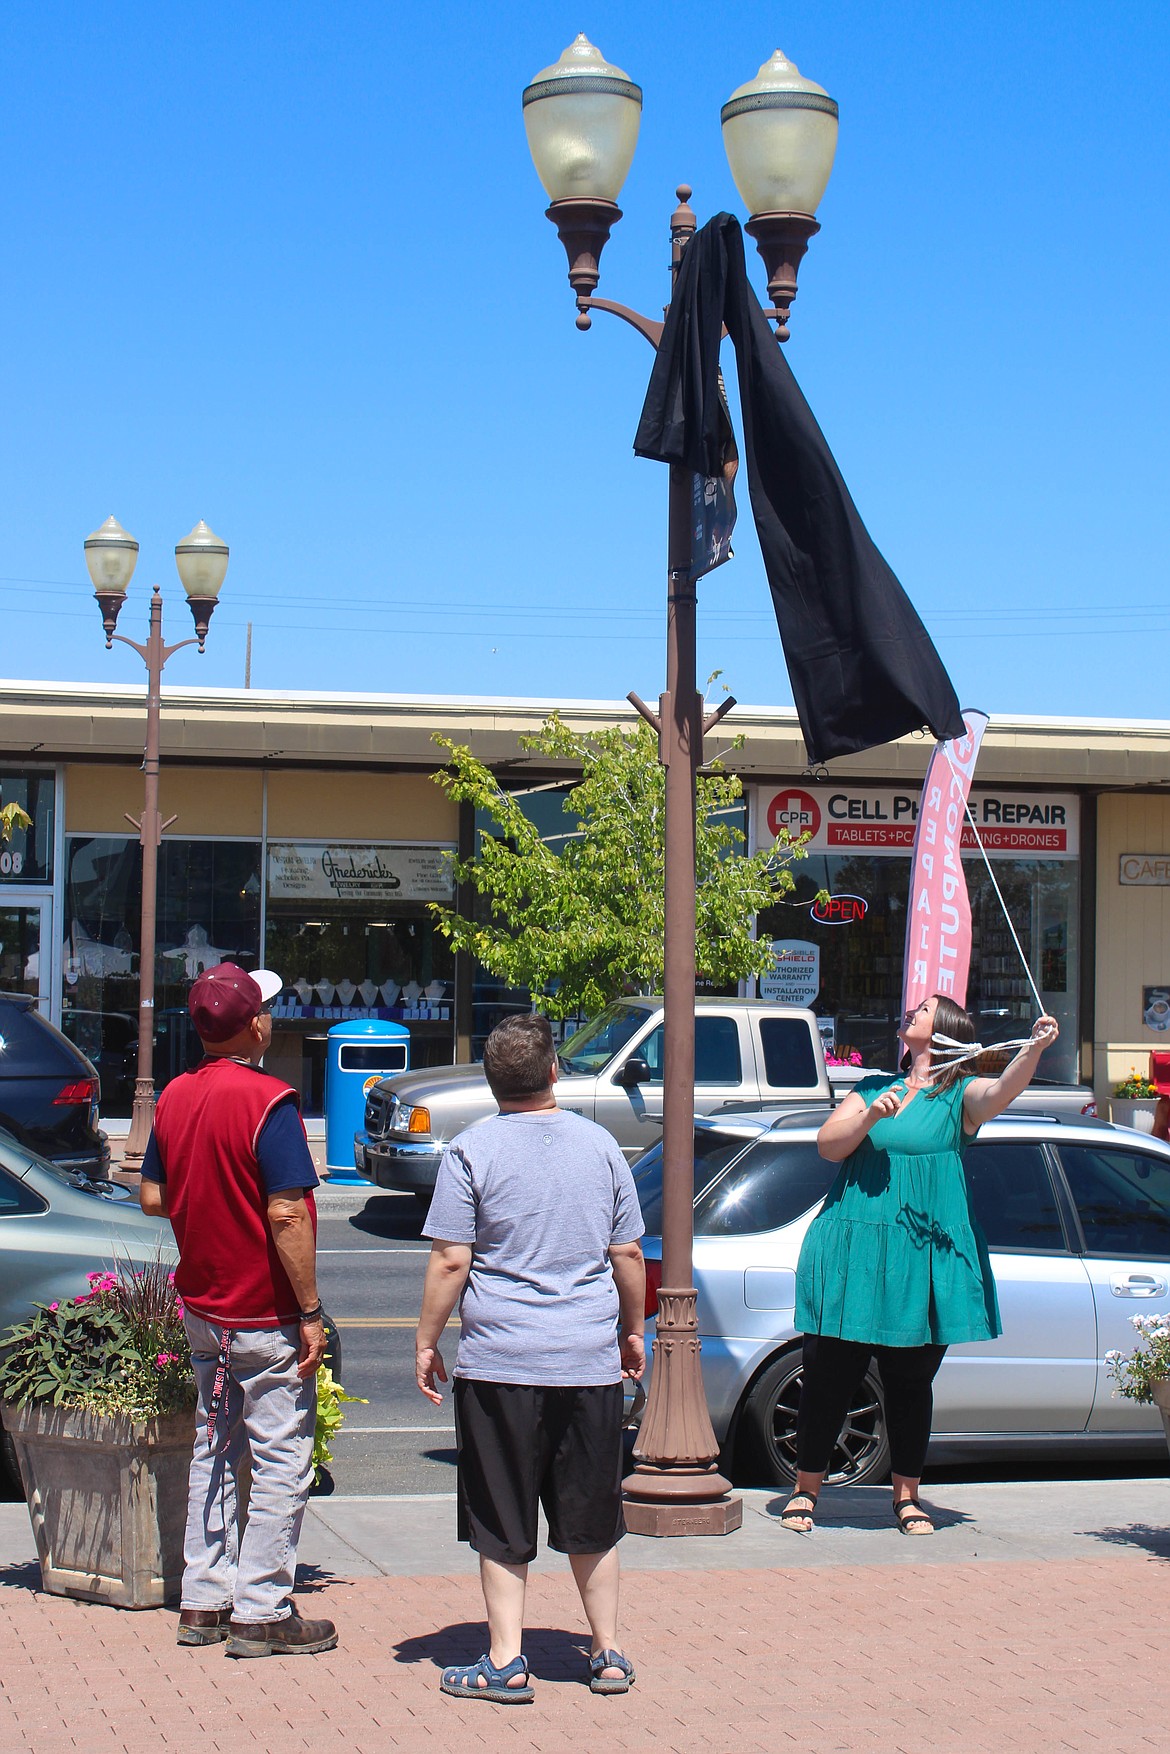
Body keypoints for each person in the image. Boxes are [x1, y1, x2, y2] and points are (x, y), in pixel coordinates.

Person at [415, 1012, 646, 1705]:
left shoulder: (470, 1151)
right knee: (591, 1511)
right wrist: (632, 1330)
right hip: (586, 1359)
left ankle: (506, 1660)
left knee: (501, 1511)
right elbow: (628, 1253)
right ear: (554, 1072)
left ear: (490, 1083)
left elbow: (453, 1258)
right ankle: (605, 1652)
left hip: (500, 1362)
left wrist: (426, 1341)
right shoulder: (602, 1146)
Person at [780, 993, 1059, 1537]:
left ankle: (907, 1498)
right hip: (855, 1248)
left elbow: (1003, 1089)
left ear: (945, 1029)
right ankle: (805, 1489)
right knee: (829, 1374)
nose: (911, 1011)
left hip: (922, 1255)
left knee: (910, 1382)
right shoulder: (872, 1086)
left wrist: (1034, 1049)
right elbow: (827, 1146)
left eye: (925, 1009)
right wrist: (868, 1116)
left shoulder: (960, 1096)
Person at [138, 962, 337, 1658]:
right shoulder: (269, 1102)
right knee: (282, 1454)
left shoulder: (174, 1098)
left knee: (214, 1445)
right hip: (264, 1311)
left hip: (205, 1309)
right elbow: (286, 1212)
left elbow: (154, 1198)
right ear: (255, 1024)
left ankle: (204, 1598)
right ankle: (261, 1609)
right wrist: (309, 1308)